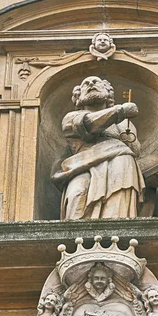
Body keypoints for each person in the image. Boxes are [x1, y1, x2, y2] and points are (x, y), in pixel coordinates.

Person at [51, 76, 145, 220]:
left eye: (97, 82)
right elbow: (88, 125)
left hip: (121, 164)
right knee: (77, 194)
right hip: (81, 168)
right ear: (78, 97)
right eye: (85, 84)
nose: (91, 84)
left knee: (117, 206)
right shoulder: (72, 117)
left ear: (108, 94)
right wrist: (120, 112)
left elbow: (136, 151)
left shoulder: (124, 124)